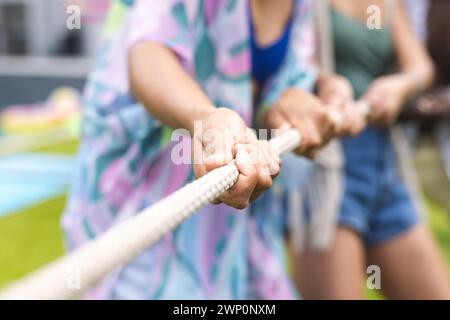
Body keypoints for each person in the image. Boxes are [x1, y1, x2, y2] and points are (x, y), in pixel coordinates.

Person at [62, 0, 357, 299]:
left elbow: (280, 87)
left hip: (243, 226)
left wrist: (294, 107)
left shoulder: (304, 5)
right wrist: (206, 119)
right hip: (145, 208)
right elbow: (149, 52)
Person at [293, 0, 450, 299]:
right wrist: (328, 89)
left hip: (385, 166)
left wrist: (400, 86)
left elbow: (420, 66)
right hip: (325, 175)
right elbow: (288, 68)